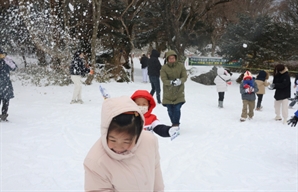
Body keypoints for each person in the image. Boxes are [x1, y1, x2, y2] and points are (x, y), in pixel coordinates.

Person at [84, 96, 164, 191]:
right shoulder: (96, 162)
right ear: (105, 133)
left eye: (127, 141)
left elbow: (155, 170)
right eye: (113, 140)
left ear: (138, 134)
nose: (118, 147)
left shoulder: (149, 141)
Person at [160, 50, 187, 128]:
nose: (171, 60)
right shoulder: (164, 68)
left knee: (177, 109)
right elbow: (164, 79)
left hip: (179, 92)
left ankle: (176, 124)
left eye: (173, 58)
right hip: (168, 93)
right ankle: (173, 122)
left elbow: (184, 76)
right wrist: (171, 82)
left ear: (176, 58)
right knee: (170, 110)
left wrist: (180, 81)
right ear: (167, 59)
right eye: (170, 58)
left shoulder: (181, 66)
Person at [0, 49, 17, 122]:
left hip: (6, 84)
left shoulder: (6, 61)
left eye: (2, 55)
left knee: (6, 100)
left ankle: (4, 115)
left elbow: (14, 67)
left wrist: (7, 59)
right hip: (3, 84)